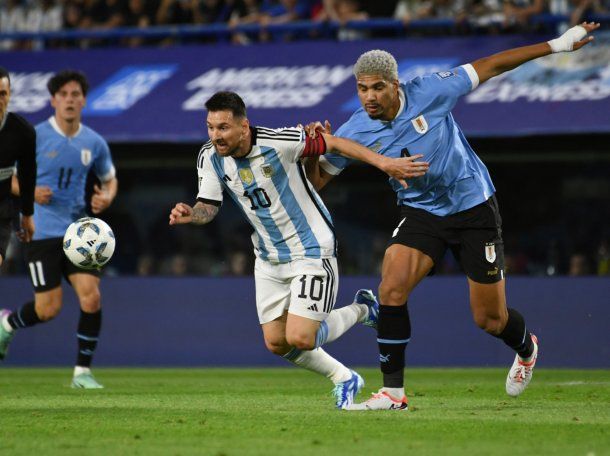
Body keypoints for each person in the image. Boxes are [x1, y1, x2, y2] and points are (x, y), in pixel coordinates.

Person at [305, 22, 600, 410]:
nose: (370, 97)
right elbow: (317, 183)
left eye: (378, 87)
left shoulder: (431, 90)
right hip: (422, 212)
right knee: (390, 288)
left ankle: (526, 347)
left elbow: (492, 65)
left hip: (473, 206)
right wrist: (313, 153)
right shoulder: (354, 130)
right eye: (362, 88)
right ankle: (393, 394)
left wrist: (558, 45)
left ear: (396, 84)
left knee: (490, 320)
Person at [169, 91, 428, 409]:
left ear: (244, 126)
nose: (215, 135)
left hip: (311, 249)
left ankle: (362, 310)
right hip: (268, 258)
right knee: (276, 342)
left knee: (302, 338)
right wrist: (191, 214)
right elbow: (208, 205)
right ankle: (345, 376)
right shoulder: (210, 157)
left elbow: (334, 144)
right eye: (210, 127)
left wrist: (384, 163)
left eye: (222, 127)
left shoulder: (280, 142)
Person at [0, 70, 118, 389]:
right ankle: (8, 324)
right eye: (63, 94)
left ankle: (82, 373)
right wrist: (29, 190)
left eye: (75, 94)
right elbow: (6, 175)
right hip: (39, 231)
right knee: (48, 309)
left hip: (78, 235)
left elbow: (110, 179)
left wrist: (106, 197)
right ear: (53, 100)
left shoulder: (93, 142)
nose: (70, 99)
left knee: (91, 298)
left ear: (83, 100)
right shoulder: (33, 136)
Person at [0, 66, 36, 269]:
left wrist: (28, 215)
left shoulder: (22, 132)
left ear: (10, 95)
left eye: (2, 94)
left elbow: (28, 175)